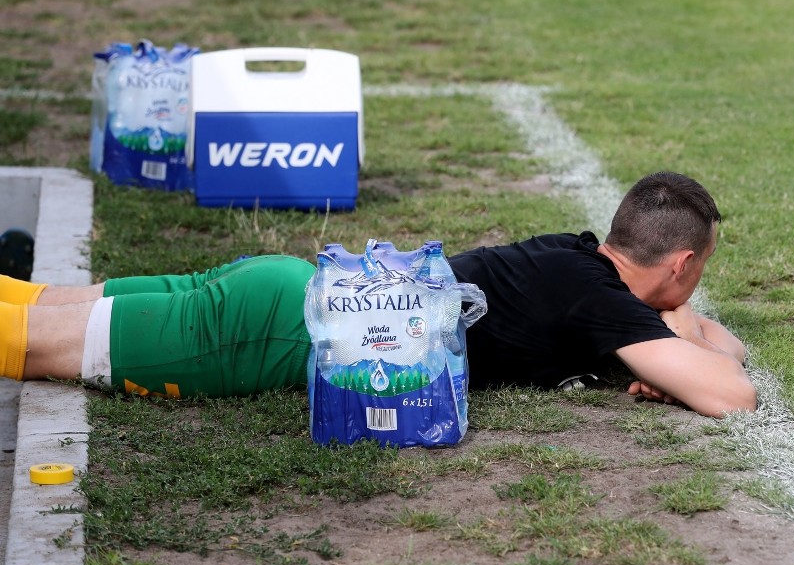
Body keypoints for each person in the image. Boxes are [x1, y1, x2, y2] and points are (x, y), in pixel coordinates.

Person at [0, 171, 756, 418]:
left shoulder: (573, 258)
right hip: (280, 332)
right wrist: (676, 335)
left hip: (282, 287)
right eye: (699, 271)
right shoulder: (599, 303)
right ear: (682, 264)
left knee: (36, 305)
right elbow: (732, 390)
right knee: (34, 345)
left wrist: (671, 326)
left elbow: (716, 349)